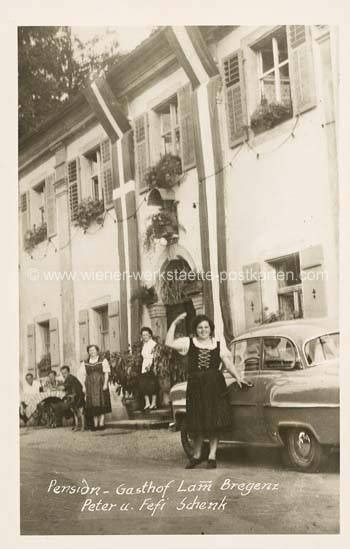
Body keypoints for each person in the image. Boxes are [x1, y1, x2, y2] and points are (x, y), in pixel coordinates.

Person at [165, 313, 246, 469]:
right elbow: (169, 342)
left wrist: (237, 377)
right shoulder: (189, 343)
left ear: (211, 329)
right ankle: (196, 456)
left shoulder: (218, 344)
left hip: (215, 385)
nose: (203, 330)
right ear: (196, 329)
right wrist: (175, 322)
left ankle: (212, 456)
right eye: (200, 327)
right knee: (197, 421)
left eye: (206, 327)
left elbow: (228, 363)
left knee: (215, 421)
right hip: (196, 387)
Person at [79, 344, 111, 431]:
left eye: (93, 350)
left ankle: (101, 423)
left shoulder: (103, 360)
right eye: (90, 351)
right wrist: (83, 386)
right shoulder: (85, 362)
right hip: (90, 385)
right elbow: (81, 375)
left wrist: (105, 384)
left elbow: (106, 373)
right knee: (92, 404)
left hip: (100, 384)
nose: (92, 352)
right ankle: (95, 424)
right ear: (88, 352)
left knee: (101, 402)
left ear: (97, 351)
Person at [138, 327, 158, 410]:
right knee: (143, 385)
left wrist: (152, 366)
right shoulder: (144, 344)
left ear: (150, 335)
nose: (144, 336)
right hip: (144, 366)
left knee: (152, 385)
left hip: (151, 365)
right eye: (143, 335)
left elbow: (155, 356)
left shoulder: (153, 344)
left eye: (146, 335)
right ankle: (147, 403)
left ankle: (153, 403)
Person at [60, 366, 85, 432]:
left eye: (65, 373)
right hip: (75, 397)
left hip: (77, 397)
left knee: (79, 412)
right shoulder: (70, 378)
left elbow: (64, 387)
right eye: (62, 373)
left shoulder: (70, 378)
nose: (63, 375)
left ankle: (82, 427)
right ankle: (78, 426)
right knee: (76, 412)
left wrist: (58, 387)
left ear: (68, 372)